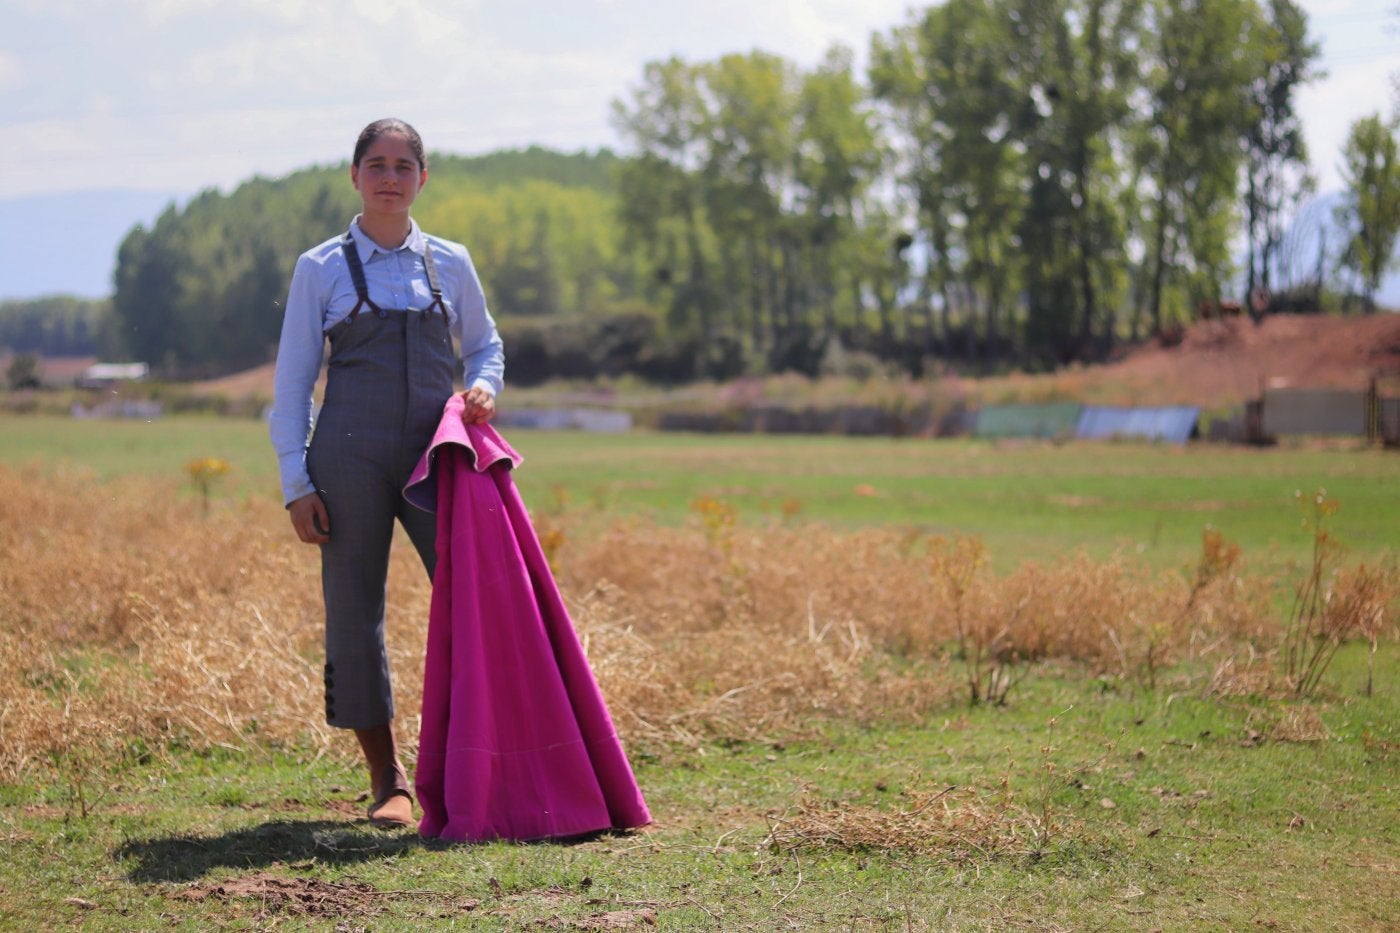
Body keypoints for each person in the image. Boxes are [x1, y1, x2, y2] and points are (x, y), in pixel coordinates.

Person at [269, 118, 504, 828]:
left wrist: (485, 385)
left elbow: (486, 345)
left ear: (423, 178)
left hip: (440, 457)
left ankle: (473, 763)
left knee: (473, 603)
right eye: (377, 164)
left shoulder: (452, 261)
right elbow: (292, 384)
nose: (390, 177)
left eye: (404, 165)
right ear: (355, 176)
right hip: (346, 457)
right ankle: (389, 780)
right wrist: (296, 483)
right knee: (353, 615)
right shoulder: (320, 268)